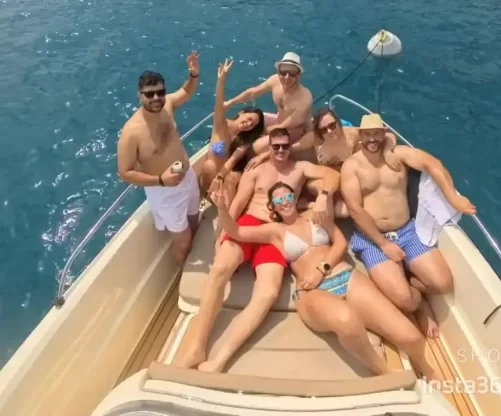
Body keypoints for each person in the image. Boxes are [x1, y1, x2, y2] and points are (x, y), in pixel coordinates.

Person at [211, 179, 437, 379]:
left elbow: (340, 242)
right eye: (279, 200)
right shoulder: (274, 231)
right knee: (347, 321)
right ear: (273, 207)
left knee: (410, 337)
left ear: (295, 197)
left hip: (343, 275)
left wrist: (323, 267)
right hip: (311, 292)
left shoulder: (314, 218)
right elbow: (237, 232)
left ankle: (430, 371)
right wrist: (222, 208)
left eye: (288, 196)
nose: (285, 202)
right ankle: (384, 371)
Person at [181, 126, 339, 373]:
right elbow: (239, 203)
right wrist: (223, 232)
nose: (280, 151)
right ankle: (197, 347)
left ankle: (220, 359)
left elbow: (331, 175)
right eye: (274, 146)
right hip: (249, 223)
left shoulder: (299, 169)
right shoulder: (257, 170)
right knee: (221, 269)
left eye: (284, 146)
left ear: (290, 146)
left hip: (276, 232)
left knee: (267, 293)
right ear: (269, 148)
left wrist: (323, 195)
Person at [341, 114, 476, 337]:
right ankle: (421, 305)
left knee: (443, 284)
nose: (372, 139)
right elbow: (355, 209)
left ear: (384, 133)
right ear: (361, 136)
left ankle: (410, 278)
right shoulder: (352, 166)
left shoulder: (398, 154)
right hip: (373, 239)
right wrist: (383, 243)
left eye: (376, 133)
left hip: (407, 230)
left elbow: (431, 163)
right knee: (404, 300)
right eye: (367, 134)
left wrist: (453, 197)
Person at [117, 52, 201, 264]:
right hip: (164, 192)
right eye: (150, 94)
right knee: (182, 241)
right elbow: (124, 172)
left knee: (194, 221)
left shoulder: (168, 105)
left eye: (160, 92)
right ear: (140, 95)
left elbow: (186, 92)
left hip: (187, 178)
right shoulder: (131, 132)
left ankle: (193, 263)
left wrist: (193, 74)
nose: (156, 98)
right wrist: (161, 180)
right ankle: (183, 274)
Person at [247, 106, 402, 216]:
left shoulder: (352, 135)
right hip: (322, 180)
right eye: (323, 129)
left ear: (338, 122)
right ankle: (312, 209)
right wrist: (265, 155)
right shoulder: (314, 139)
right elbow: (288, 148)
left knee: (345, 212)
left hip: (345, 181)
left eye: (332, 125)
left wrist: (387, 152)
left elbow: (388, 136)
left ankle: (305, 206)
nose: (329, 131)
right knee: (331, 201)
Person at [200, 58, 265, 203]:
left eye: (253, 124)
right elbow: (219, 103)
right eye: (248, 118)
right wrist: (221, 79)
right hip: (210, 175)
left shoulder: (244, 139)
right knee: (209, 165)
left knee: (226, 174)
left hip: (225, 173)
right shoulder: (222, 124)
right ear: (241, 113)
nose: (248, 124)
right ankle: (206, 197)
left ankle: (224, 217)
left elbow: (233, 160)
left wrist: (220, 177)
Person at [223, 51, 312, 150]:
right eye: (283, 72)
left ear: (298, 74)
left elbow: (284, 126)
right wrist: (231, 102)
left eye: (292, 73)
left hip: (297, 130)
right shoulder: (275, 81)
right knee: (253, 121)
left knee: (257, 147)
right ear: (278, 71)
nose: (287, 77)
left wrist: (263, 131)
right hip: (279, 121)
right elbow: (253, 92)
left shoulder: (305, 98)